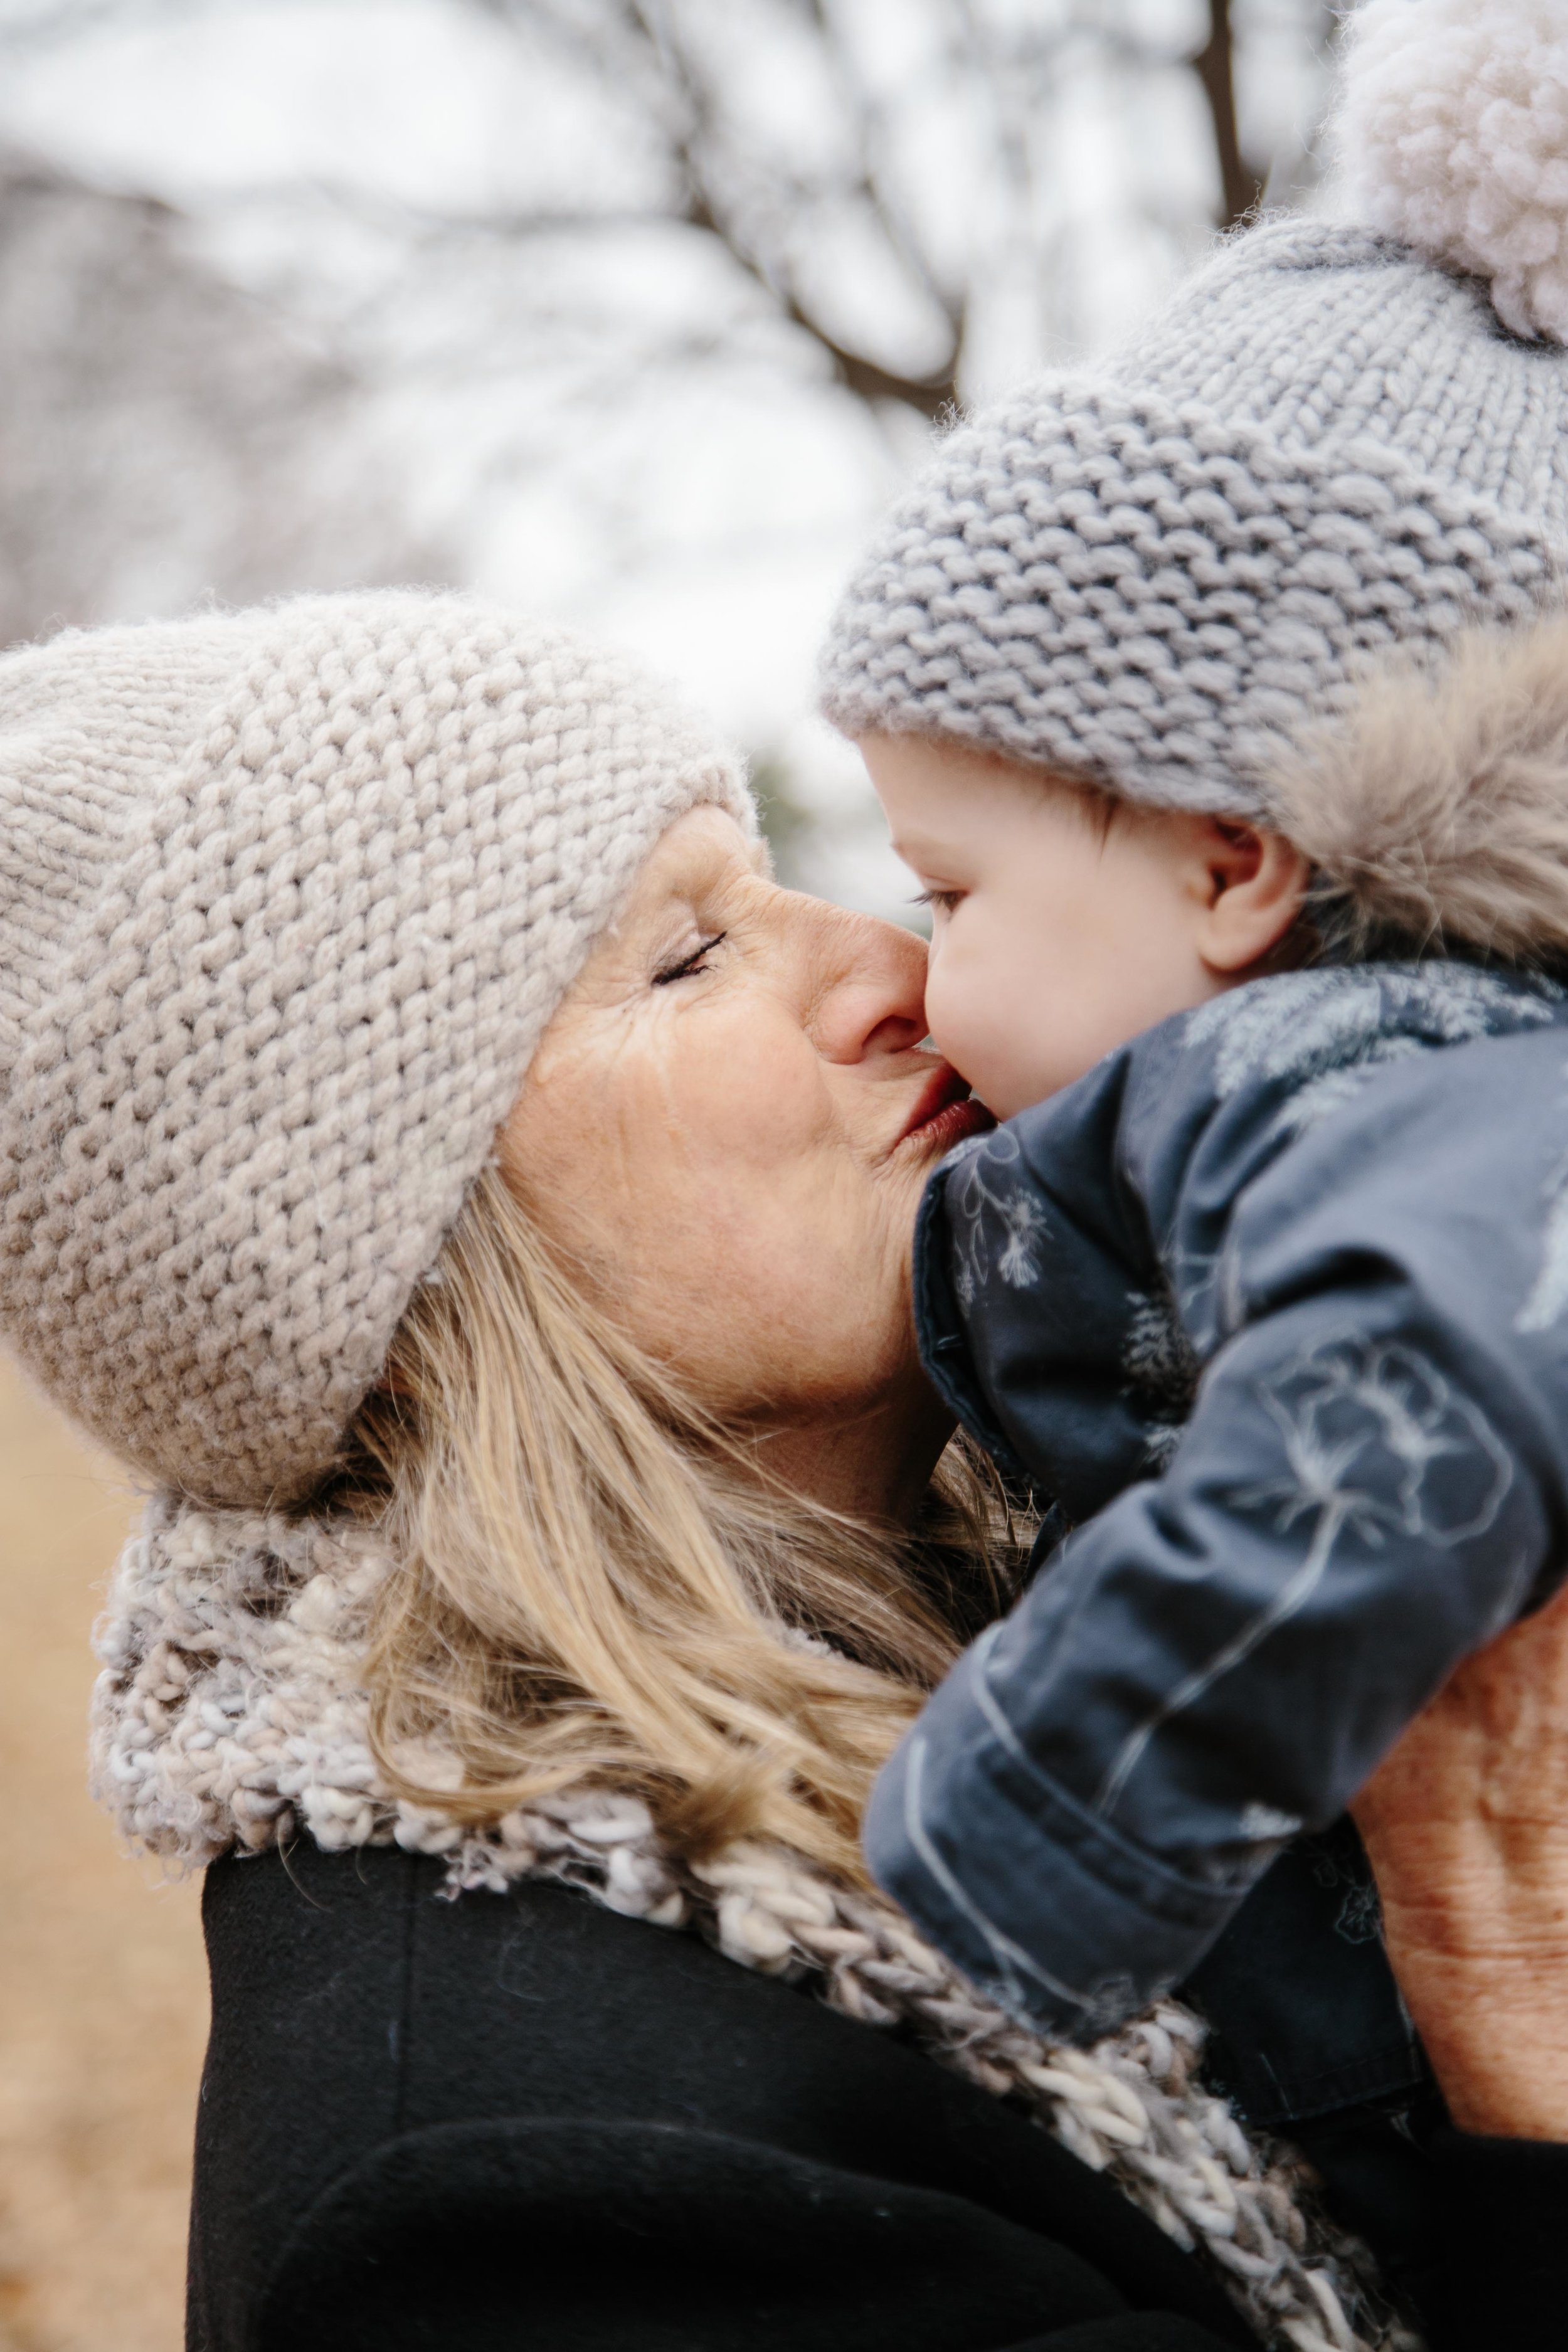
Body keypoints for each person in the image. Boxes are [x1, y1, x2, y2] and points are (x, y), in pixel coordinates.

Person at [0, 590, 1560, 2352]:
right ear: (399, 1273)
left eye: (772, 885)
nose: (896, 972)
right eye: (680, 961)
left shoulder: (1132, 1592)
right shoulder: (530, 2199)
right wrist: (1513, 2014)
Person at [815, 0, 1568, 2127]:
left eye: (951, 892)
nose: (915, 963)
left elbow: (1422, 1386)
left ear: (1232, 863)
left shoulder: (1387, 1068)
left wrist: (1029, 1830)